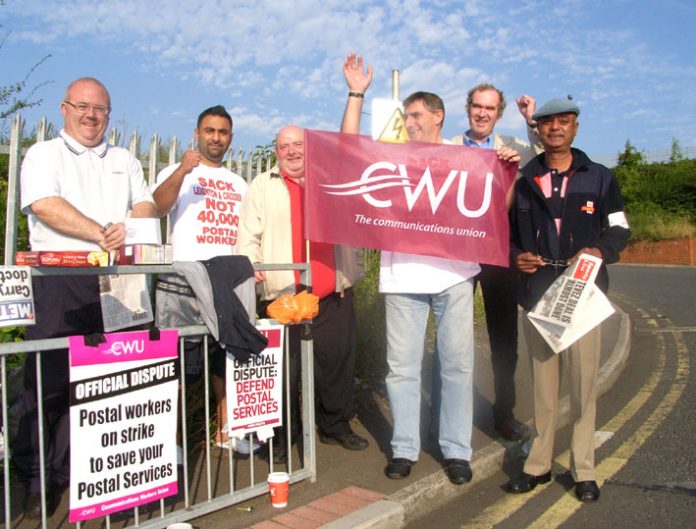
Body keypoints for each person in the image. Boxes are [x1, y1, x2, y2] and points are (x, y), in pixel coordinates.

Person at [340, 53, 521, 485]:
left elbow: (495, 211)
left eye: (416, 114)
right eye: (406, 115)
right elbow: (347, 150)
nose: (409, 121)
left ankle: (456, 450)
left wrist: (509, 174)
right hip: (402, 276)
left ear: (437, 116)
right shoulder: (394, 150)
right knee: (401, 368)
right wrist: (356, 93)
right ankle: (404, 448)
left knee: (457, 366)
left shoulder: (470, 155)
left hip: (455, 276)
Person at [17, 77, 157, 517]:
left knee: (108, 383)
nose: (91, 115)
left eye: (100, 108)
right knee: (50, 383)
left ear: (109, 114)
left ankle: (95, 479)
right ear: (64, 108)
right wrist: (101, 233)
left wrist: (131, 222)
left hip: (119, 282)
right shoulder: (43, 154)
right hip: (61, 281)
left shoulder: (124, 158)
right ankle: (38, 479)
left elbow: (147, 205)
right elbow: (44, 204)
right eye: (82, 106)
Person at [505, 97, 630, 502]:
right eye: (548, 123)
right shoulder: (524, 179)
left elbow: (618, 229)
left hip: (582, 292)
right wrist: (514, 257)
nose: (555, 128)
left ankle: (584, 469)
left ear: (576, 128)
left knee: (583, 384)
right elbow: (503, 233)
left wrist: (599, 251)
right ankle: (538, 465)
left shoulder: (600, 177)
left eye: (565, 121)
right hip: (539, 292)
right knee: (543, 387)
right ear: (537, 130)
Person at [237, 124, 368, 460]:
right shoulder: (263, 186)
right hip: (284, 293)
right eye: (284, 147)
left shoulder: (331, 179)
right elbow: (248, 234)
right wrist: (252, 264)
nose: (292, 151)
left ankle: (335, 426)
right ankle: (283, 437)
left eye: (298, 144)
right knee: (284, 369)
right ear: (276, 152)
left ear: (309, 147)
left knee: (336, 362)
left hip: (332, 289)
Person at [152, 105, 250, 454]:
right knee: (177, 367)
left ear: (231, 139)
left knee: (226, 361)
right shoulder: (177, 173)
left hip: (224, 284)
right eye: (209, 131)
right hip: (180, 284)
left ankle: (226, 432)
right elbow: (157, 208)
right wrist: (182, 170)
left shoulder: (239, 184)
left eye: (222, 132)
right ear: (197, 133)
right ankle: (171, 444)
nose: (215, 138)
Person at [448, 84, 543, 441]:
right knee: (454, 338)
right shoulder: (451, 146)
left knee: (504, 340)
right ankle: (453, 417)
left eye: (489, 108)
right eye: (477, 106)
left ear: (499, 113)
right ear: (468, 108)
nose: (482, 113)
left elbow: (545, 154)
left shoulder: (515, 147)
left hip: (499, 252)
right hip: (458, 251)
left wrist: (531, 121)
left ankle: (503, 414)